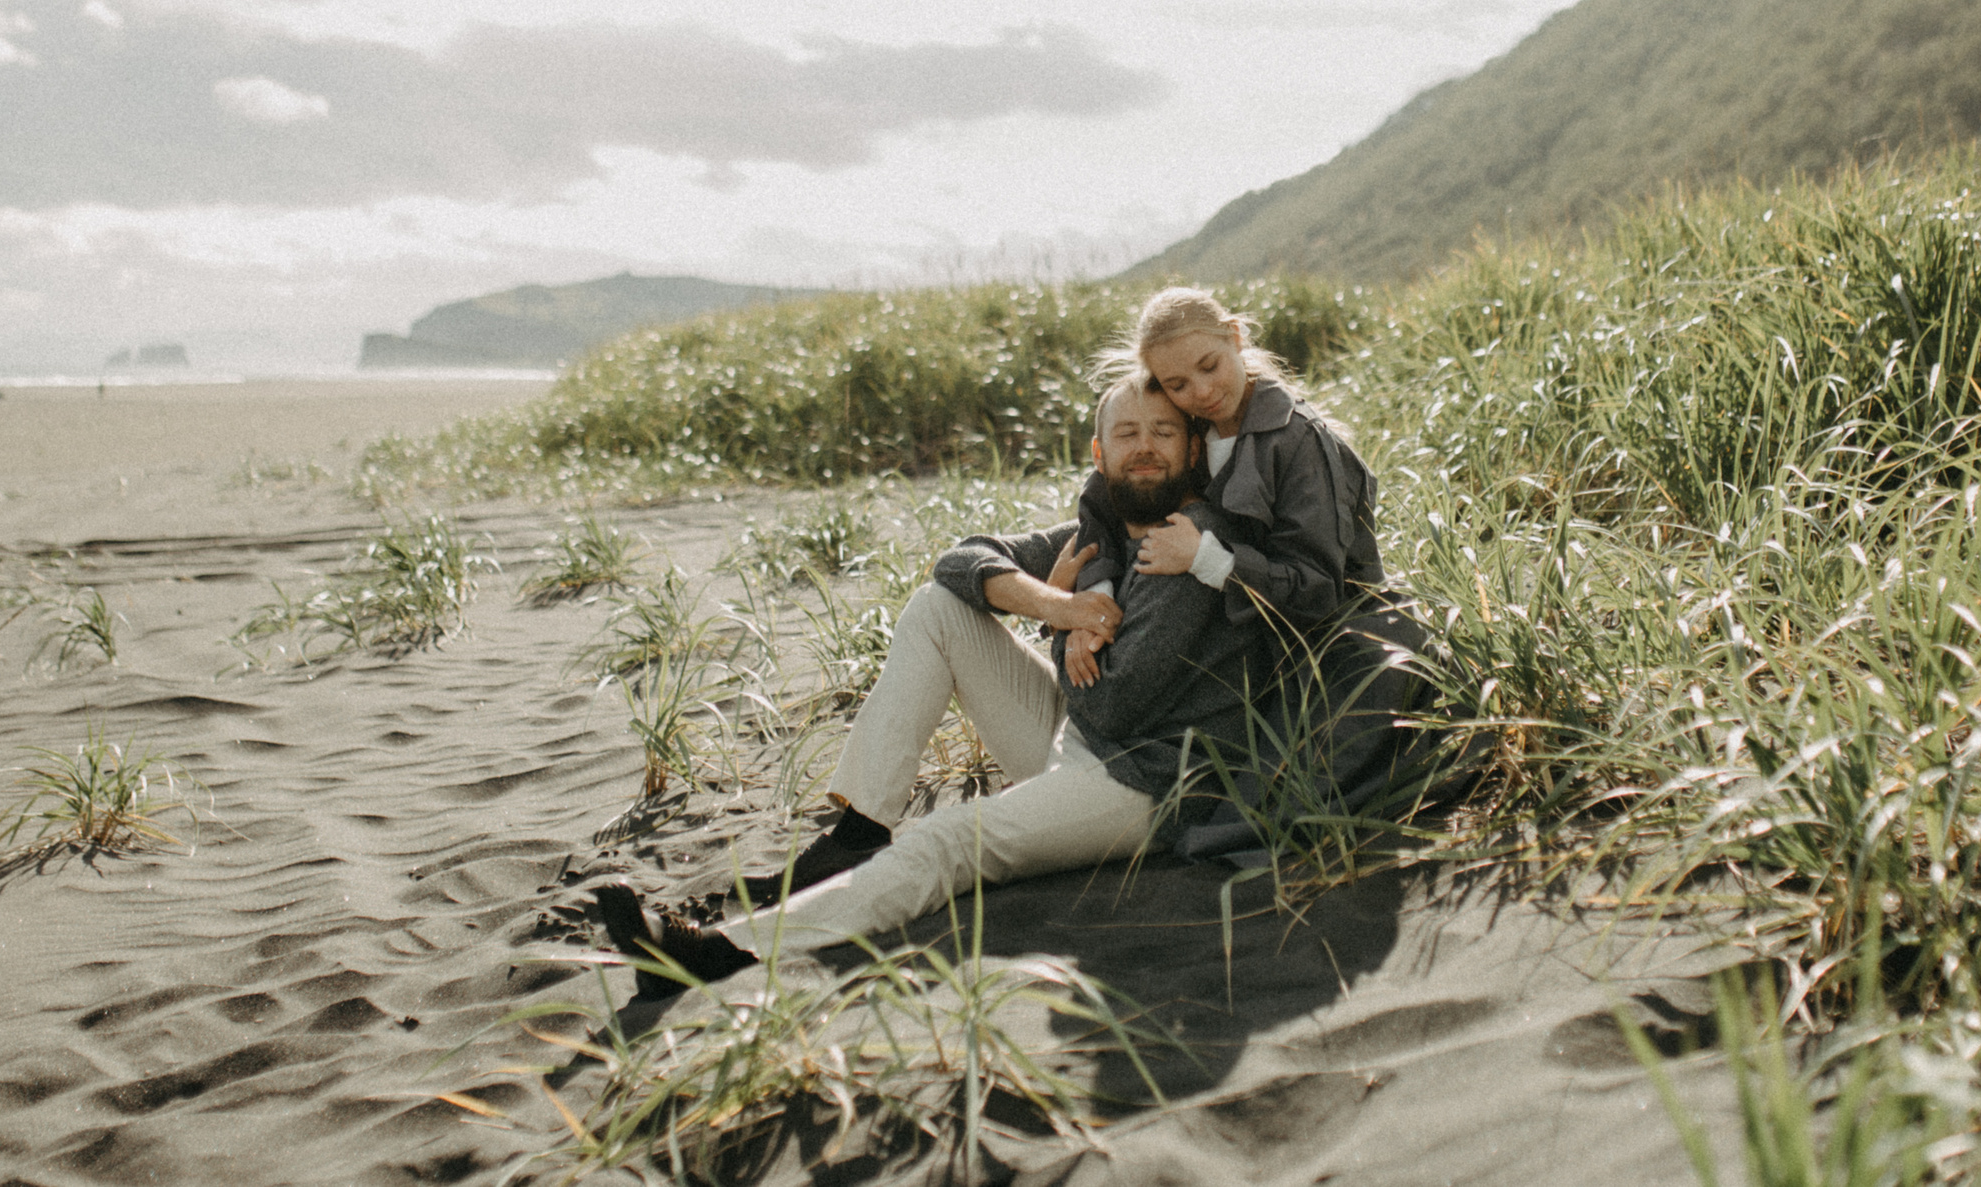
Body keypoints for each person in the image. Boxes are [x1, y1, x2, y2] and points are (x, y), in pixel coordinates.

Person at [593, 374, 1272, 997]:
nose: (1145, 448)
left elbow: (1116, 703)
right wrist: (1054, 604)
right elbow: (959, 562)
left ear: (1191, 452)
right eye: (1128, 433)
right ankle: (860, 829)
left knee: (947, 841)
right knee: (939, 608)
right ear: (1099, 451)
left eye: (1163, 432)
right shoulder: (1102, 533)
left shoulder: (1185, 544)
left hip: (1148, 782)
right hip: (1082, 742)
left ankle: (713, 955)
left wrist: (1062, 637)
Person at [1122, 287, 1439, 864]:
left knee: (1252, 820)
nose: (1202, 391)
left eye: (1210, 366)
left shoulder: (1299, 440)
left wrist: (1204, 557)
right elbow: (1110, 501)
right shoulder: (1197, 435)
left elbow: (1318, 588)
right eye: (1177, 385)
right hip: (1253, 651)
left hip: (1338, 647)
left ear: (1236, 338)